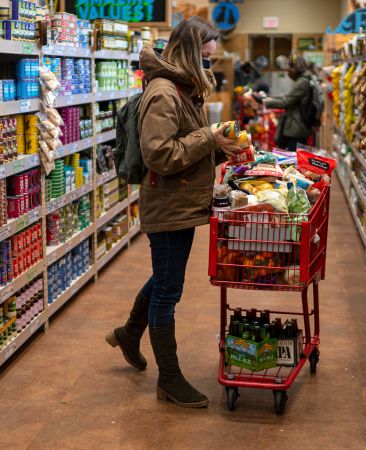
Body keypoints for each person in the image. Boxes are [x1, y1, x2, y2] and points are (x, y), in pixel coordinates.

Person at [105, 17, 239, 408]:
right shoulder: (164, 92)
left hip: (180, 200)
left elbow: (187, 147)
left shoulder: (184, 88)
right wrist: (208, 137)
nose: (209, 68)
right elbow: (161, 155)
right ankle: (170, 379)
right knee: (168, 289)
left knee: (166, 277)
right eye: (206, 59)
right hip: (167, 202)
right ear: (188, 53)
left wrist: (219, 146)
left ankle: (130, 333)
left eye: (212, 61)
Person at [263, 56, 315, 151]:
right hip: (300, 127)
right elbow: (290, 98)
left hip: (296, 128)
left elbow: (285, 101)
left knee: (293, 158)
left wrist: (265, 101)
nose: (288, 71)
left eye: (289, 68)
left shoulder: (302, 82)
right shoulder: (306, 79)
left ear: (295, 68)